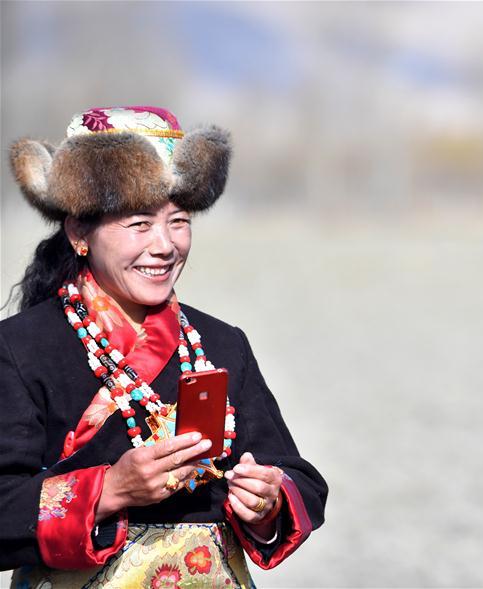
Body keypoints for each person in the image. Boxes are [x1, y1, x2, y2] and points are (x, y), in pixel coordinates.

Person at [1, 106, 327, 587]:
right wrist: (109, 490)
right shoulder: (20, 348)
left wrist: (268, 496)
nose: (164, 245)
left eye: (178, 220)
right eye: (138, 224)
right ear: (78, 233)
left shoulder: (221, 343)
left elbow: (297, 476)